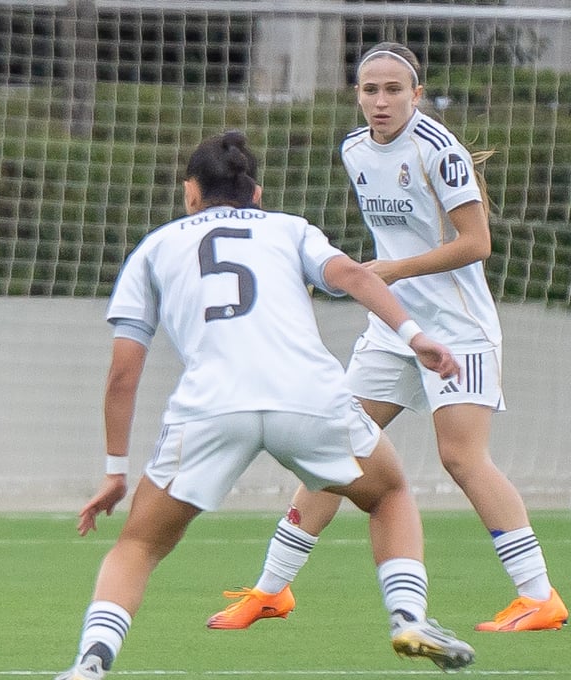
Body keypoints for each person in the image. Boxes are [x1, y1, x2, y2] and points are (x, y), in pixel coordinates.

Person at [55, 130, 475, 680]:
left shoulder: (156, 248)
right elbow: (350, 275)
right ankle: (407, 618)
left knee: (138, 545)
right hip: (307, 397)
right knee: (389, 493)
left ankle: (91, 665)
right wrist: (416, 336)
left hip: (212, 407)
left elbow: (122, 375)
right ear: (257, 194)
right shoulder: (289, 229)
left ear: (189, 193)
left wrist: (115, 471)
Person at [205, 42, 565, 634]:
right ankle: (271, 590)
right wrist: (374, 281)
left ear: (416, 96)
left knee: (461, 457)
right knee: (332, 444)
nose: (381, 100)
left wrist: (388, 271)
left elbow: (476, 244)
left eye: (394, 90)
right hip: (393, 329)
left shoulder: (438, 151)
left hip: (459, 329)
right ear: (357, 95)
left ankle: (538, 596)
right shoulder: (354, 149)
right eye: (370, 90)